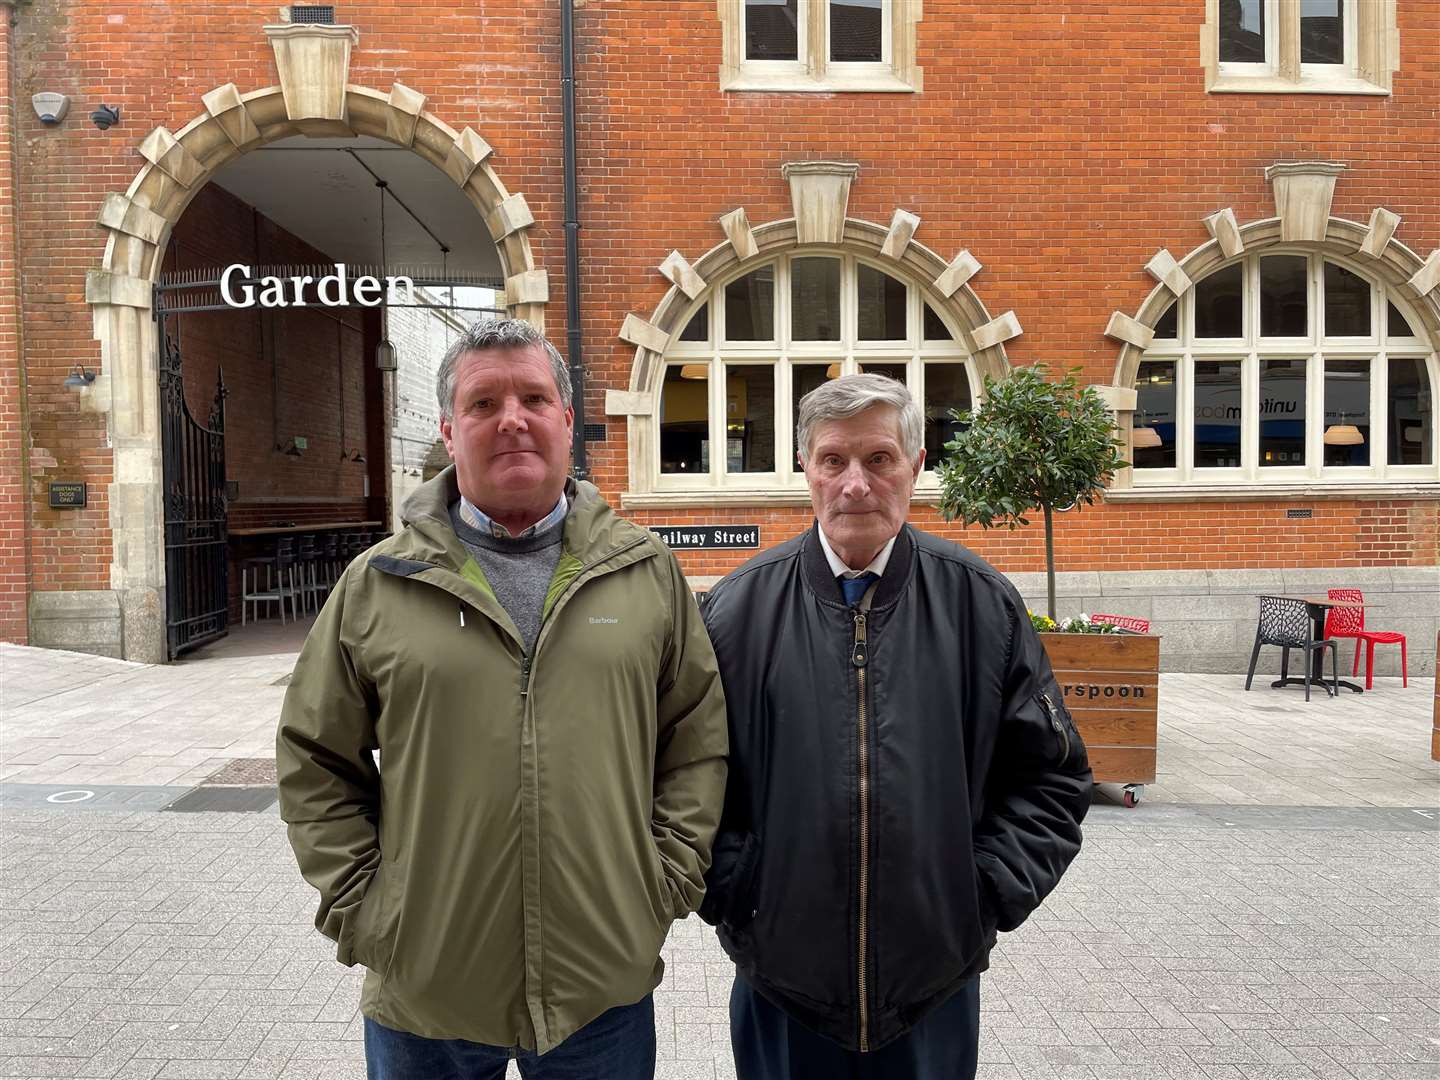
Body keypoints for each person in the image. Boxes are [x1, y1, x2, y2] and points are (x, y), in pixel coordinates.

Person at [277, 317, 727, 1080]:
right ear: (451, 433)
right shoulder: (379, 583)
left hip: (600, 990)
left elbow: (696, 739)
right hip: (427, 995)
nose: (512, 418)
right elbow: (314, 757)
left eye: (533, 397)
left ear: (564, 421)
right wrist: (369, 913)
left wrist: (663, 881)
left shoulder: (644, 572)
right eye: (484, 403)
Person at [699, 374, 1093, 1080]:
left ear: (915, 467)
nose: (855, 483)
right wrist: (737, 889)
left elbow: (1052, 777)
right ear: (806, 470)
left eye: (878, 459)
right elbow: (685, 780)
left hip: (930, 989)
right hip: (782, 989)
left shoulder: (982, 607)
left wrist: (981, 895)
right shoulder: (735, 612)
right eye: (833, 460)